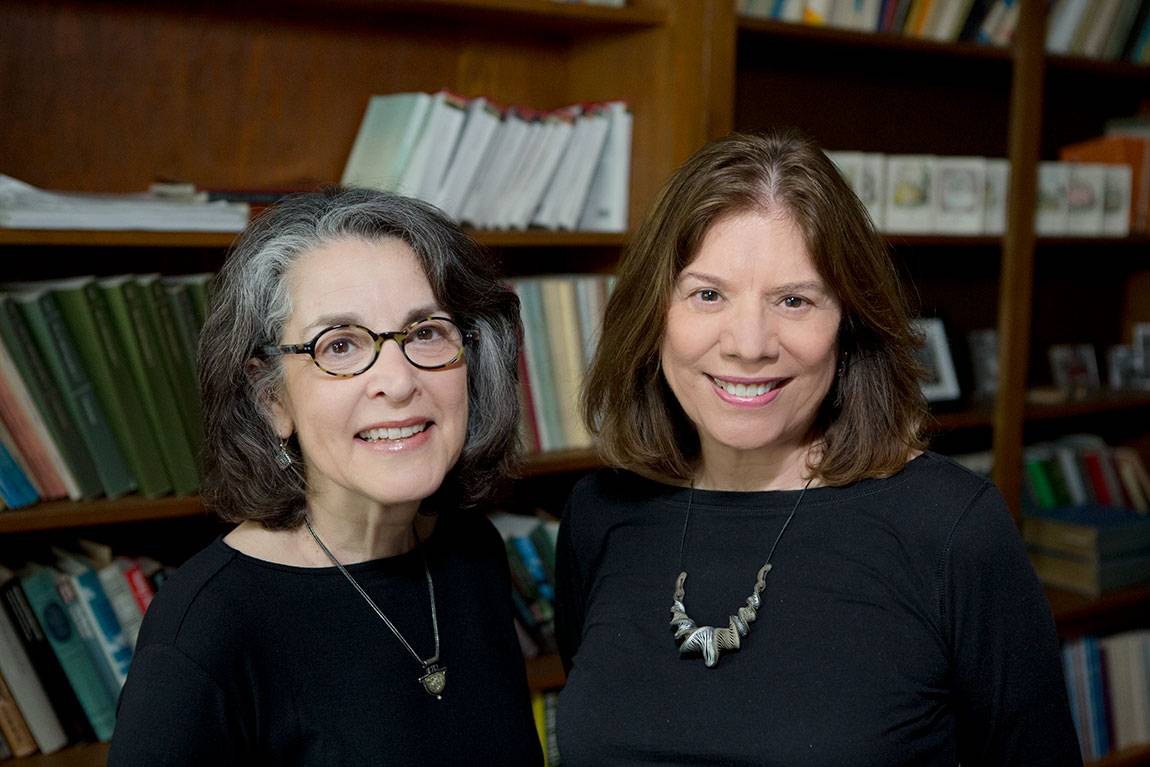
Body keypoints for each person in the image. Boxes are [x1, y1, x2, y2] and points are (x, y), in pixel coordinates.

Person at [554, 130, 1081, 766]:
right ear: (653, 313)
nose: (749, 344)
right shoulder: (599, 514)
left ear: (848, 324)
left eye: (794, 300)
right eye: (708, 294)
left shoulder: (951, 529)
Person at [108, 188, 542, 766]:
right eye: (339, 345)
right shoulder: (205, 628)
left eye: (425, 332)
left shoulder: (473, 551)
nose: (398, 381)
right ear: (270, 399)